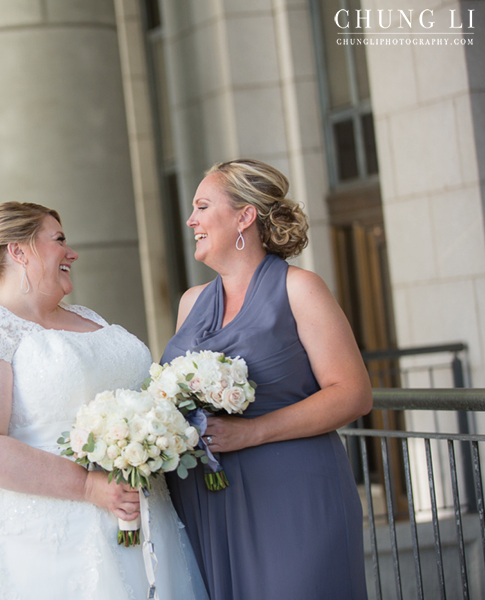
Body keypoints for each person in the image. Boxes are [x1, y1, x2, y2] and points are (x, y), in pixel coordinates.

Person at [0, 202, 207, 600]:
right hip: (41, 540)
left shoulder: (90, 318)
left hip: (143, 518)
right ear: (19, 251)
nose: (72, 253)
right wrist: (89, 487)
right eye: (59, 240)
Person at [163, 159, 372, 599]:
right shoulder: (191, 303)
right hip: (207, 499)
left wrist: (251, 432)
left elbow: (353, 394)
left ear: (245, 215)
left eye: (202, 206)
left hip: (292, 494)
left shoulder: (300, 288)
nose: (191, 219)